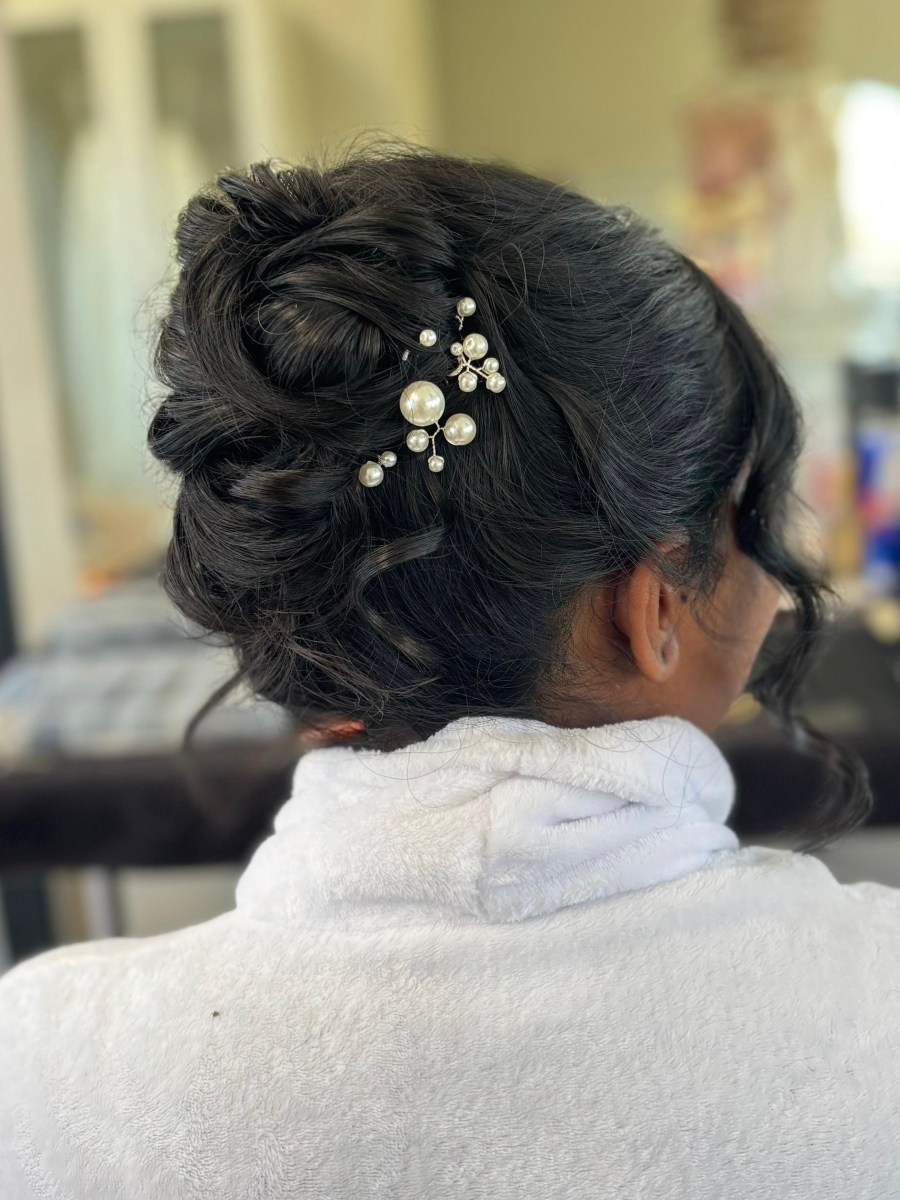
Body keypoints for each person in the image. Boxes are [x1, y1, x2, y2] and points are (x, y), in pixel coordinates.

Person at [1, 143, 897, 1198]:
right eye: (754, 526)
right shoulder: (875, 1015)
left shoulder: (43, 1071)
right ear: (654, 605)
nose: (773, 586)